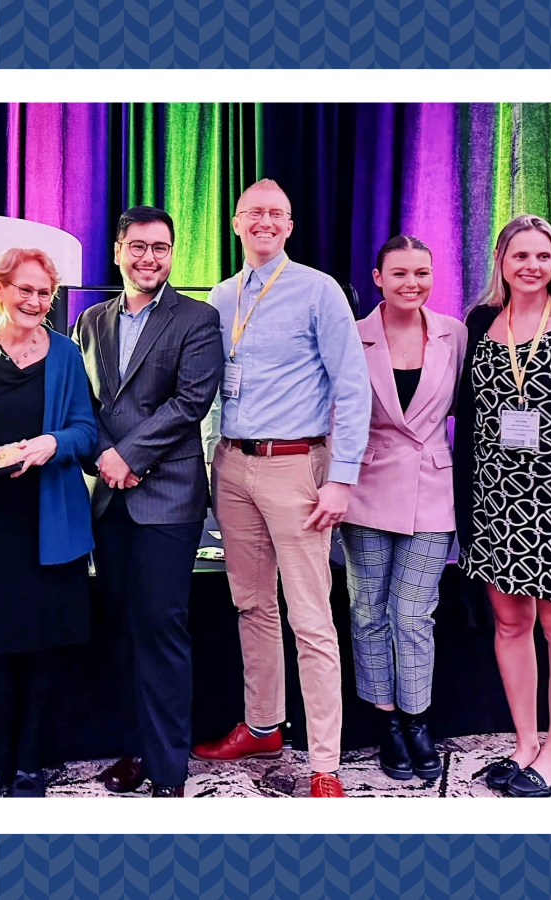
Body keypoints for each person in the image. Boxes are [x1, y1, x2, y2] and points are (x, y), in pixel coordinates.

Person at [193, 179, 370, 798]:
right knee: (250, 604)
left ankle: (326, 762)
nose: (265, 221)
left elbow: (352, 388)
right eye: (254, 213)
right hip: (234, 466)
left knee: (311, 616)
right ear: (236, 223)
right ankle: (263, 724)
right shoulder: (220, 296)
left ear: (289, 225)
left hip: (297, 466)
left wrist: (342, 478)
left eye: (277, 213)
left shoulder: (318, 290)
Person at [73, 206, 223, 798]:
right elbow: (83, 401)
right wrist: (107, 457)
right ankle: (135, 751)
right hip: (110, 499)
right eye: (138, 247)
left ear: (171, 254)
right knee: (123, 631)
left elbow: (190, 404)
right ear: (118, 251)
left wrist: (128, 458)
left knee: (162, 630)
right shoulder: (90, 320)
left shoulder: (198, 318)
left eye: (161, 248)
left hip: (168, 498)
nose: (149, 258)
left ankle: (169, 769)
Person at [454, 215, 551, 798]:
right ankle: (525, 743)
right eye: (520, 256)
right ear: (501, 261)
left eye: (542, 256)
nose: (531, 266)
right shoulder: (482, 322)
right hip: (494, 499)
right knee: (510, 624)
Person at [0, 247, 97, 797]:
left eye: (45, 293)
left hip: (50, 526)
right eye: (25, 290)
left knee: (42, 651)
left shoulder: (65, 355)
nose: (35, 301)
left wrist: (49, 444)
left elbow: (87, 434)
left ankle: (31, 764)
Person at [339, 235, 467, 781]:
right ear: (377, 278)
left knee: (412, 614)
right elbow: (337, 412)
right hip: (366, 489)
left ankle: (417, 720)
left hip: (433, 491)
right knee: (368, 614)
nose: (411, 283)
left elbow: (476, 405)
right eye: (399, 274)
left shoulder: (455, 334)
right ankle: (386, 721)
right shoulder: (353, 335)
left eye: (422, 273)